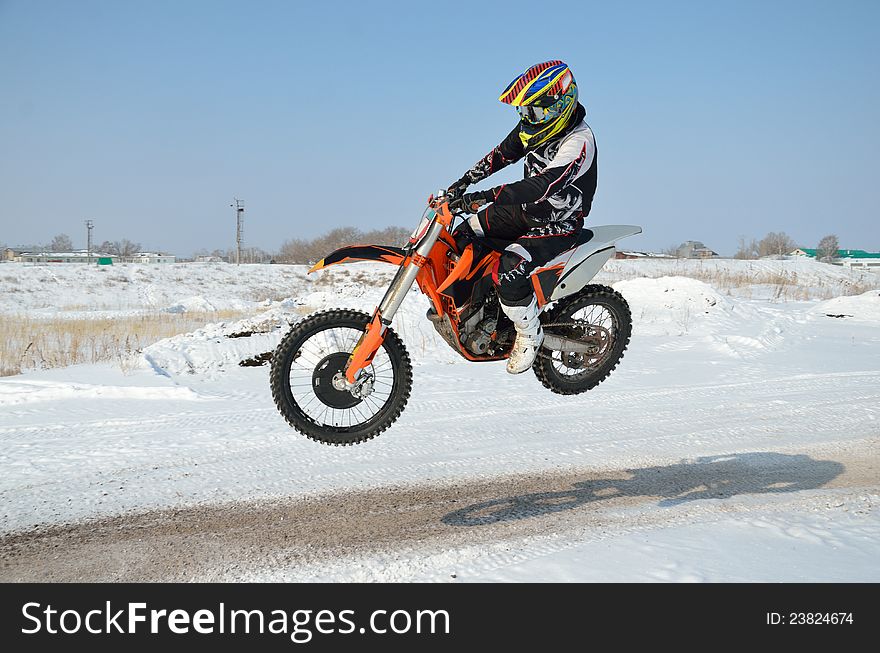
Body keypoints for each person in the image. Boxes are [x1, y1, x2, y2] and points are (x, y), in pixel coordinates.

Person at [447, 60, 598, 374]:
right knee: (462, 235)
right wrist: (465, 181)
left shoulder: (579, 142)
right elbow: (503, 153)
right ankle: (478, 312)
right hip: (523, 212)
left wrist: (484, 196)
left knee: (511, 267)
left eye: (534, 111)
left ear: (560, 106)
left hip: (559, 222)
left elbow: (542, 185)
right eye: (523, 112)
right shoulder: (536, 126)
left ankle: (529, 335)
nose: (528, 119)